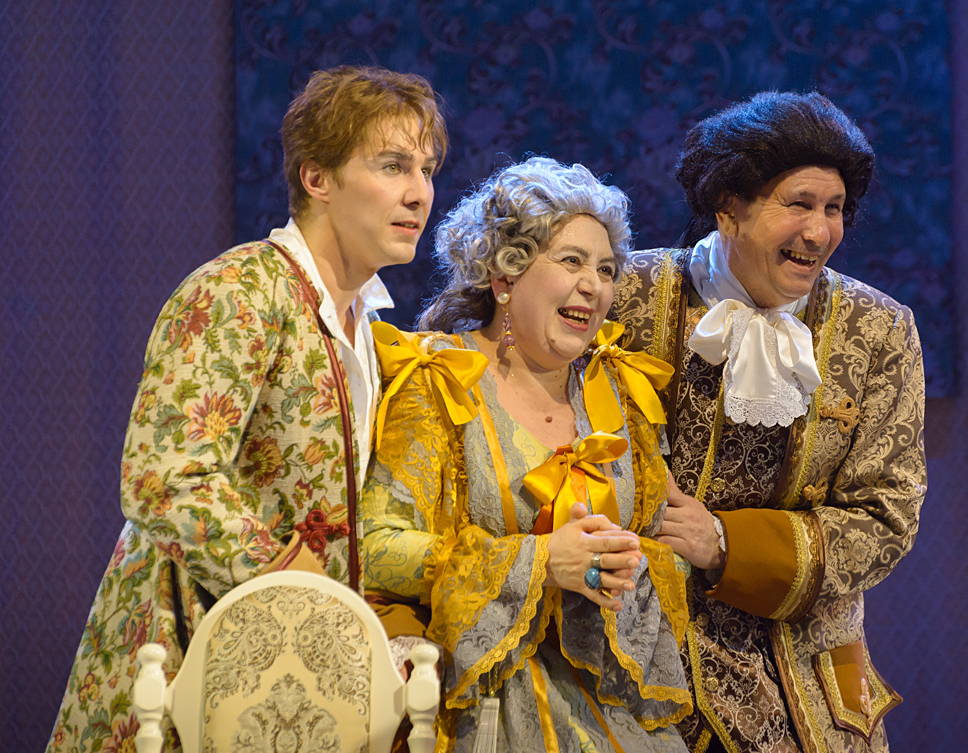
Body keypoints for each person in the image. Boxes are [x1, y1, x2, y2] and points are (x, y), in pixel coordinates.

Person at [47, 65, 446, 752]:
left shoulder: (368, 325)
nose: (419, 192)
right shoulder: (240, 291)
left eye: (427, 169)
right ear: (317, 178)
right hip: (186, 651)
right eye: (392, 166)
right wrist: (298, 583)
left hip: (294, 679)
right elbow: (165, 478)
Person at [611, 91, 927, 752]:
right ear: (729, 206)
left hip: (804, 690)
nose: (819, 231)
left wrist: (726, 543)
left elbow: (886, 518)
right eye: (799, 203)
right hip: (641, 673)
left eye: (834, 208)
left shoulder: (880, 329)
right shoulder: (625, 293)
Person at [361, 157, 693, 751]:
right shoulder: (440, 380)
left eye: (606, 269)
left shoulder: (620, 393)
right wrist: (539, 563)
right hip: (486, 705)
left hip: (612, 707)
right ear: (505, 276)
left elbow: (663, 545)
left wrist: (625, 564)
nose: (594, 285)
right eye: (571, 261)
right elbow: (376, 549)